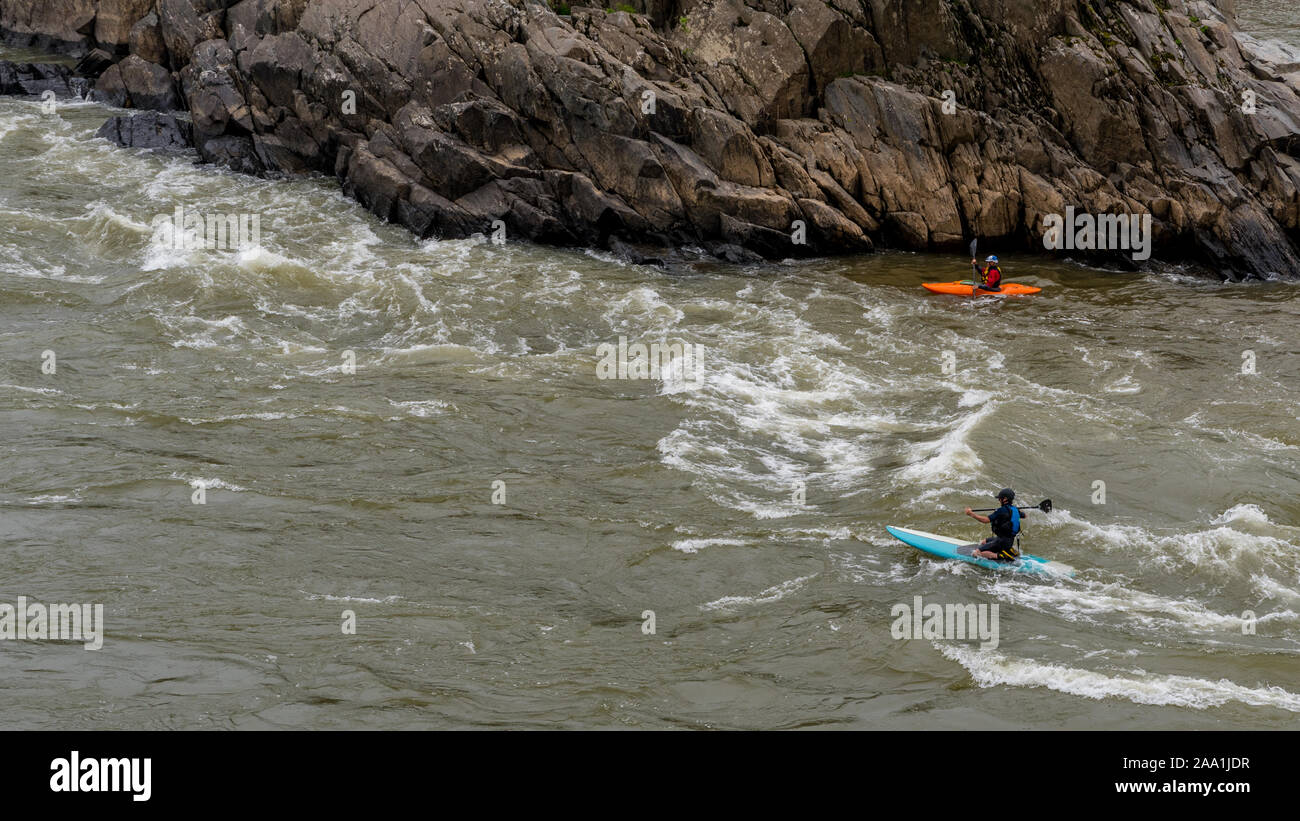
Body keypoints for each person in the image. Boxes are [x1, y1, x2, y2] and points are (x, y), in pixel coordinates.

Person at [963, 488, 1020, 561]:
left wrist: (971, 514)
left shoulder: (1001, 511)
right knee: (984, 541)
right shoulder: (1015, 510)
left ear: (1005, 499)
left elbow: (985, 520)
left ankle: (1001, 556)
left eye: (1000, 498)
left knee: (975, 553)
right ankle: (1007, 550)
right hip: (1008, 541)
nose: (999, 500)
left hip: (1001, 542)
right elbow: (1024, 515)